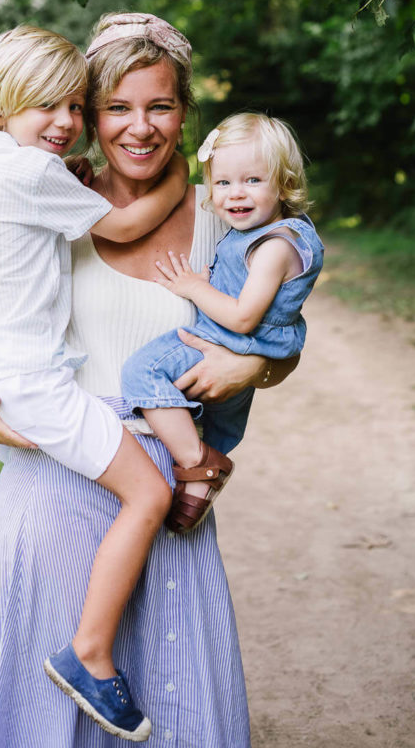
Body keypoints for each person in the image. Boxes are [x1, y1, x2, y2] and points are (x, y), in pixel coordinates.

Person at [0, 11, 299, 748]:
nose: (139, 128)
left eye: (160, 106)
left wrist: (253, 362)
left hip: (165, 492)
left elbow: (278, 332)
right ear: (88, 114)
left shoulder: (228, 214)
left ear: (185, 111)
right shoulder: (49, 198)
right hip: (58, 473)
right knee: (46, 713)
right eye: (115, 107)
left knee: (170, 698)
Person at [0, 24, 191, 741]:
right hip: (30, 381)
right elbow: (123, 225)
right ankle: (88, 653)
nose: (64, 123)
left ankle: (87, 646)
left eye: (73, 108)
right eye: (42, 108)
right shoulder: (27, 174)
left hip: (14, 376)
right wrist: (179, 177)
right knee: (149, 489)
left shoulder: (0, 163)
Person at [121, 111, 324, 533]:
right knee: (219, 423)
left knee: (143, 371)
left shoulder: (273, 246)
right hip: (256, 351)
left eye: (253, 180)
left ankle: (197, 464)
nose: (236, 194)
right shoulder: (271, 232)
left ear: (284, 184)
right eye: (223, 182)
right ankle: (197, 491)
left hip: (229, 338)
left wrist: (195, 288)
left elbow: (244, 316)